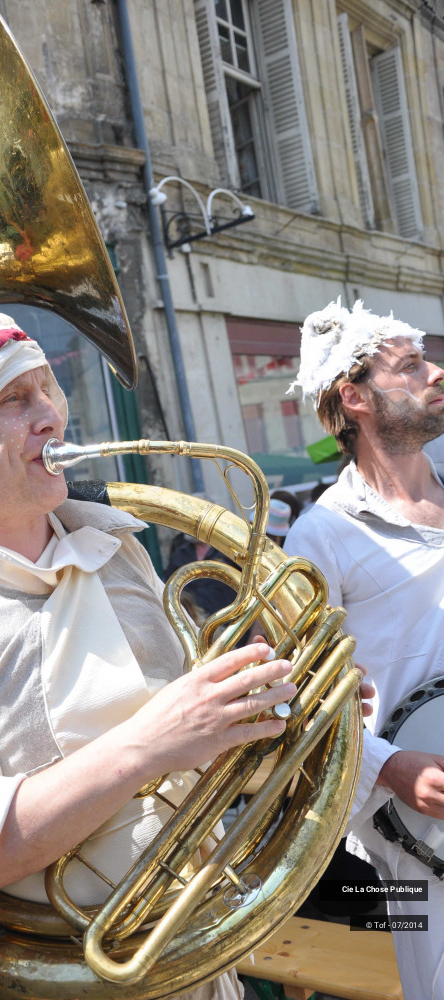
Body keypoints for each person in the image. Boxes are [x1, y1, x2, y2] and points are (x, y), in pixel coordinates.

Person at [0, 308, 301, 1000]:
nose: (50, 416)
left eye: (48, 390)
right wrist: (151, 743)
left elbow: (203, 757)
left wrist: (269, 711)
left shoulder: (116, 548)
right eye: (15, 399)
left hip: (196, 953)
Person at [284, 298, 444, 1000]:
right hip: (412, 835)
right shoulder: (319, 536)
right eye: (410, 365)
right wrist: (390, 767)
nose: (435, 371)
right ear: (355, 397)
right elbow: (296, 697)